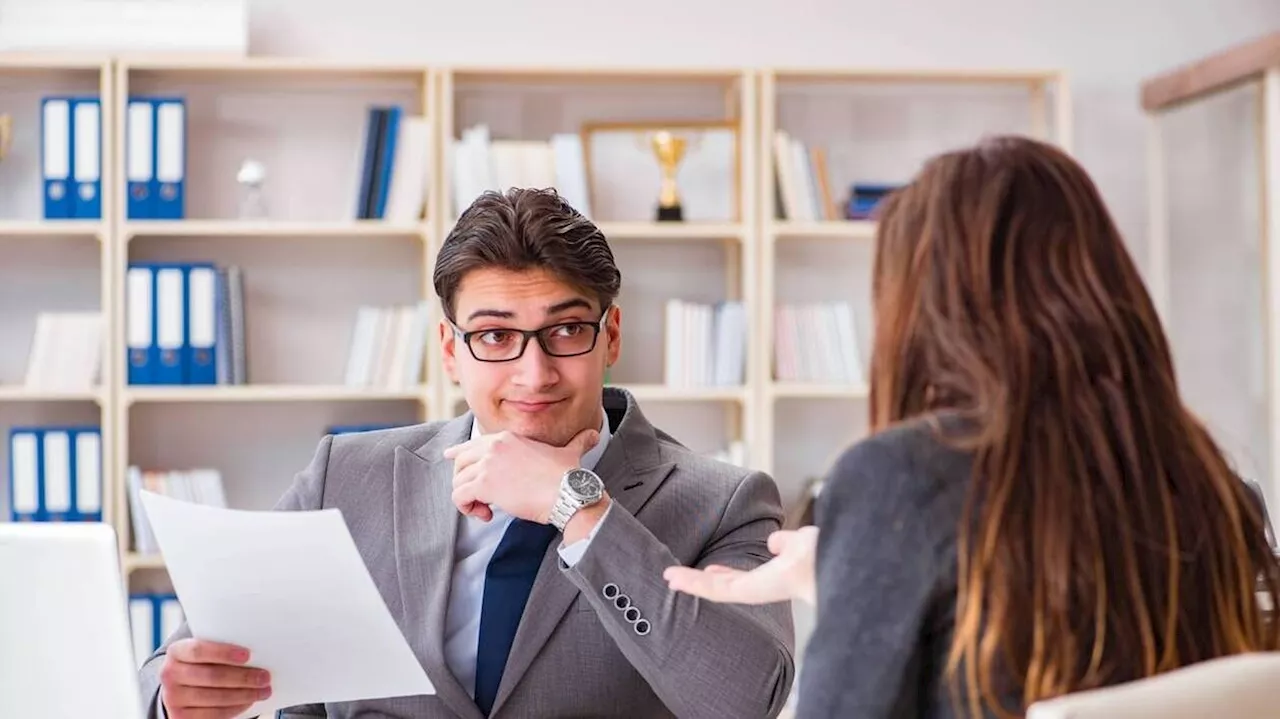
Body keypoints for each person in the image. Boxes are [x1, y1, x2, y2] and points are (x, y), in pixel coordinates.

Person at [665, 135, 1280, 718]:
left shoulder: (902, 475)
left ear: (921, 302)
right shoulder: (1213, 486)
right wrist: (856, 580)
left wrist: (865, 571)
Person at [138, 187, 796, 719]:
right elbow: (179, 662)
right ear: (451, 350)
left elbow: (745, 698)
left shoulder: (722, 503)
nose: (533, 373)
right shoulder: (350, 477)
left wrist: (578, 507)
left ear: (610, 335)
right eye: (495, 336)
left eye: (566, 330)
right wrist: (180, 698)